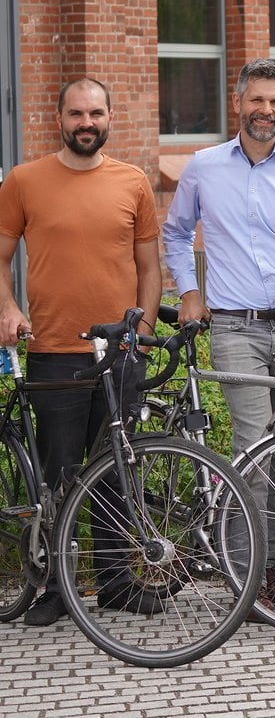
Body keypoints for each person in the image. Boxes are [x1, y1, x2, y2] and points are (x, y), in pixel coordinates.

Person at [162, 58, 275, 614]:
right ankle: (245, 574)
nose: (266, 111)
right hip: (235, 327)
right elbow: (175, 232)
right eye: (257, 100)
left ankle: (271, 568)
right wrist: (188, 289)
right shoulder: (204, 167)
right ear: (238, 102)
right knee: (253, 446)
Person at [0, 77, 162, 625]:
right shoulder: (24, 181)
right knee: (58, 474)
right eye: (76, 113)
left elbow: (149, 268)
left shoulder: (134, 182)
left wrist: (139, 329)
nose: (86, 122)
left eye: (95, 113)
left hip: (119, 352)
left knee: (119, 471)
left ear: (110, 116)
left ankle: (117, 584)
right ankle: (55, 589)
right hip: (54, 348)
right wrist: (8, 308)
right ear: (59, 117)